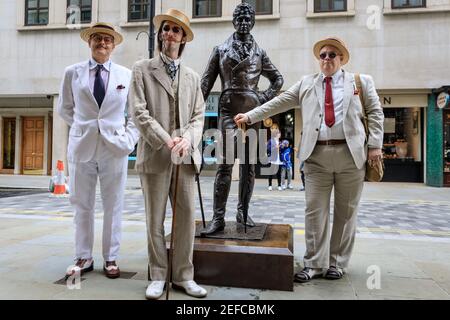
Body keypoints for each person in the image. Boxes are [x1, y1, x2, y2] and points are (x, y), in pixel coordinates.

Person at [235, 37, 384, 283]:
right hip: (316, 157)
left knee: (346, 213)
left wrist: (375, 146)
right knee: (315, 211)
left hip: (351, 155)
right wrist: (250, 116)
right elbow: (278, 103)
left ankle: (336, 263)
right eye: (323, 55)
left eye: (332, 55)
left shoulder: (361, 82)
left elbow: (376, 113)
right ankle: (314, 263)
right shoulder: (306, 83)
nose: (327, 59)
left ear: (341, 59)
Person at [128, 9, 207, 299]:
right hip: (156, 154)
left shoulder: (193, 77)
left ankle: (184, 276)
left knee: (186, 218)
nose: (169, 34)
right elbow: (138, 112)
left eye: (175, 30)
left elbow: (199, 116)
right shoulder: (142, 69)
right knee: (155, 219)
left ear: (183, 37)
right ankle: (158, 275)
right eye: (165, 29)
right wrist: (166, 139)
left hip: (185, 157)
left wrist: (187, 139)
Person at [58, 22, 140, 279]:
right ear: (89, 42)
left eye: (107, 39)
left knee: (114, 206)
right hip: (82, 147)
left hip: (114, 148)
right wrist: (84, 129)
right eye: (97, 39)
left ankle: (111, 257)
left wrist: (128, 140)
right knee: (82, 204)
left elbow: (135, 114)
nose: (102, 43)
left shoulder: (126, 75)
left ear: (113, 45)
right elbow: (64, 108)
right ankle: (83, 256)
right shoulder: (73, 73)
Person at [200, 3, 284, 235]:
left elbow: (278, 79)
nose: (244, 22)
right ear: (234, 21)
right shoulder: (220, 50)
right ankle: (218, 218)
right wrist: (195, 113)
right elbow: (206, 83)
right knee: (224, 166)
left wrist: (262, 99)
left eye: (248, 19)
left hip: (252, 115)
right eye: (240, 18)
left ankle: (243, 213)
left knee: (248, 167)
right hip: (228, 112)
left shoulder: (260, 53)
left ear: (253, 22)